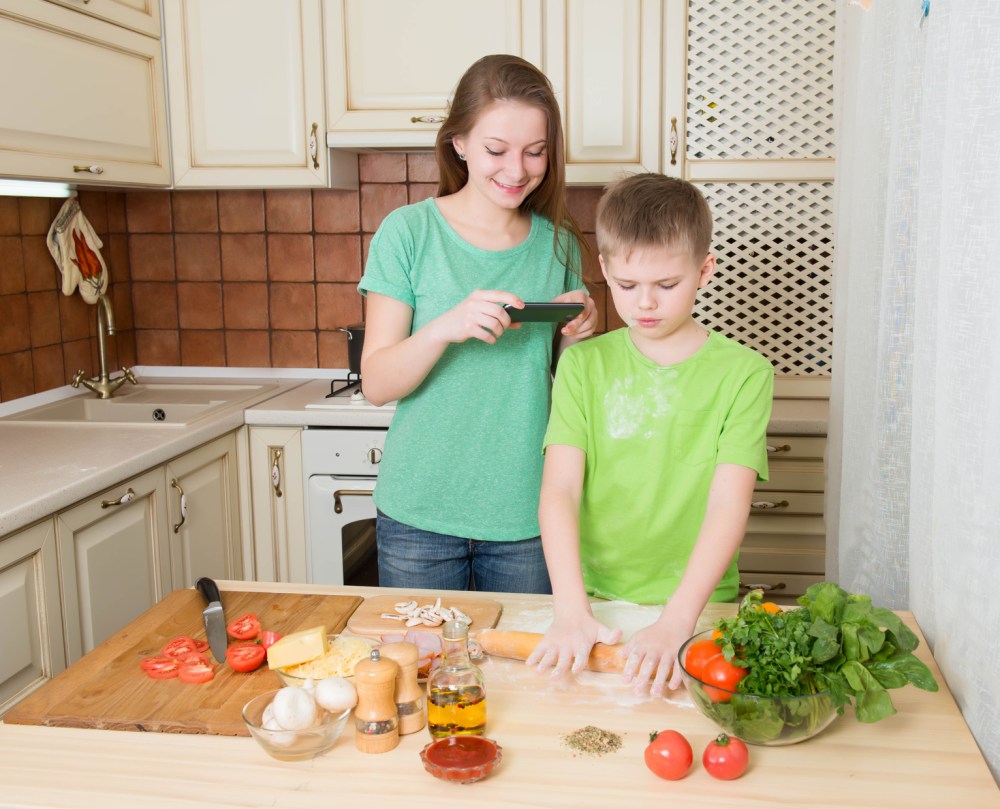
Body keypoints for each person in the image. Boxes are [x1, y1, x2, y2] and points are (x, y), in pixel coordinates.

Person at [526, 173, 774, 695]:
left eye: (666, 285)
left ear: (704, 270)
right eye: (627, 286)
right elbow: (560, 490)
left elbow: (730, 505)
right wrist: (572, 609)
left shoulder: (745, 373)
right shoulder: (583, 367)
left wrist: (678, 621)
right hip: (596, 600)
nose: (645, 304)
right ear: (605, 270)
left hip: (697, 604)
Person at [358, 54, 598, 594]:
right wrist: (447, 326)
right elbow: (376, 383)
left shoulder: (558, 243)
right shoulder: (408, 233)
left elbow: (564, 387)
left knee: (522, 676)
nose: (517, 170)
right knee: (420, 676)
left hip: (528, 515)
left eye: (535, 152)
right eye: (497, 150)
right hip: (419, 514)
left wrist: (579, 335)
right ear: (458, 143)